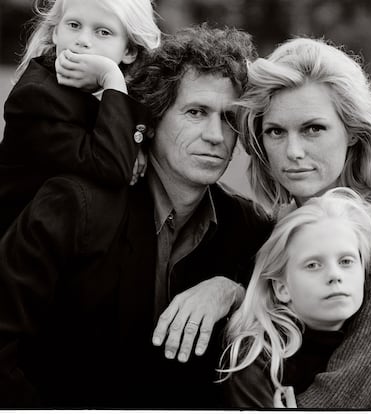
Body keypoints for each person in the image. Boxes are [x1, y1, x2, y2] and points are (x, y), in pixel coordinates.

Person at [0, 24, 271, 408]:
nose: (216, 135)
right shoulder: (73, 205)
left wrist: (234, 290)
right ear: (152, 119)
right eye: (196, 112)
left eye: (229, 119)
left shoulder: (249, 228)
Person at [225, 36, 371, 408]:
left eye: (313, 128)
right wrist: (228, 290)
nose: (293, 152)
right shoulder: (276, 227)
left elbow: (361, 390)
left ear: (353, 134)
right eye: (276, 132)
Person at [0, 0, 161, 236]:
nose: (83, 40)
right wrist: (111, 76)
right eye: (74, 25)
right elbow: (112, 168)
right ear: (55, 32)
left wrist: (138, 144)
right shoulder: (36, 97)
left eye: (103, 32)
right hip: (20, 246)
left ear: (129, 51)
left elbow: (138, 128)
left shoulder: (111, 96)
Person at [221, 187, 371, 407]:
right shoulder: (257, 362)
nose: (335, 275)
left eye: (346, 261)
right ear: (282, 288)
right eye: (313, 265)